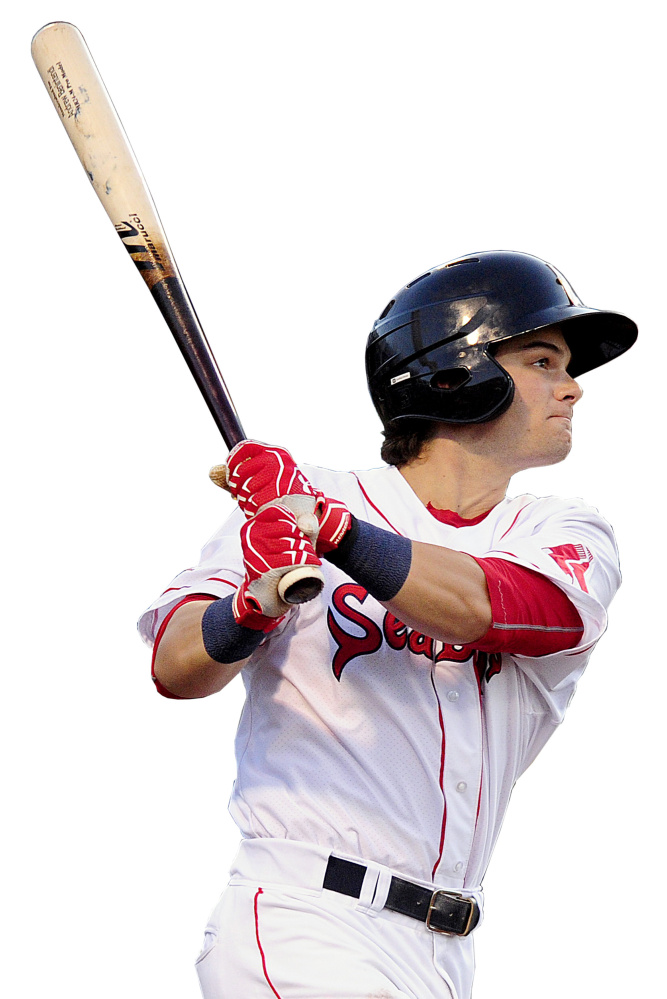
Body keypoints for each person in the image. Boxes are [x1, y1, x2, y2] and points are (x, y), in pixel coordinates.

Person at [138, 250, 637, 999]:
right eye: (542, 359)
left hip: (442, 953)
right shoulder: (298, 507)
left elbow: (503, 607)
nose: (571, 388)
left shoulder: (561, 529)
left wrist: (332, 532)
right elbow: (175, 666)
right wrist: (253, 605)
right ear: (456, 371)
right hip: (306, 913)